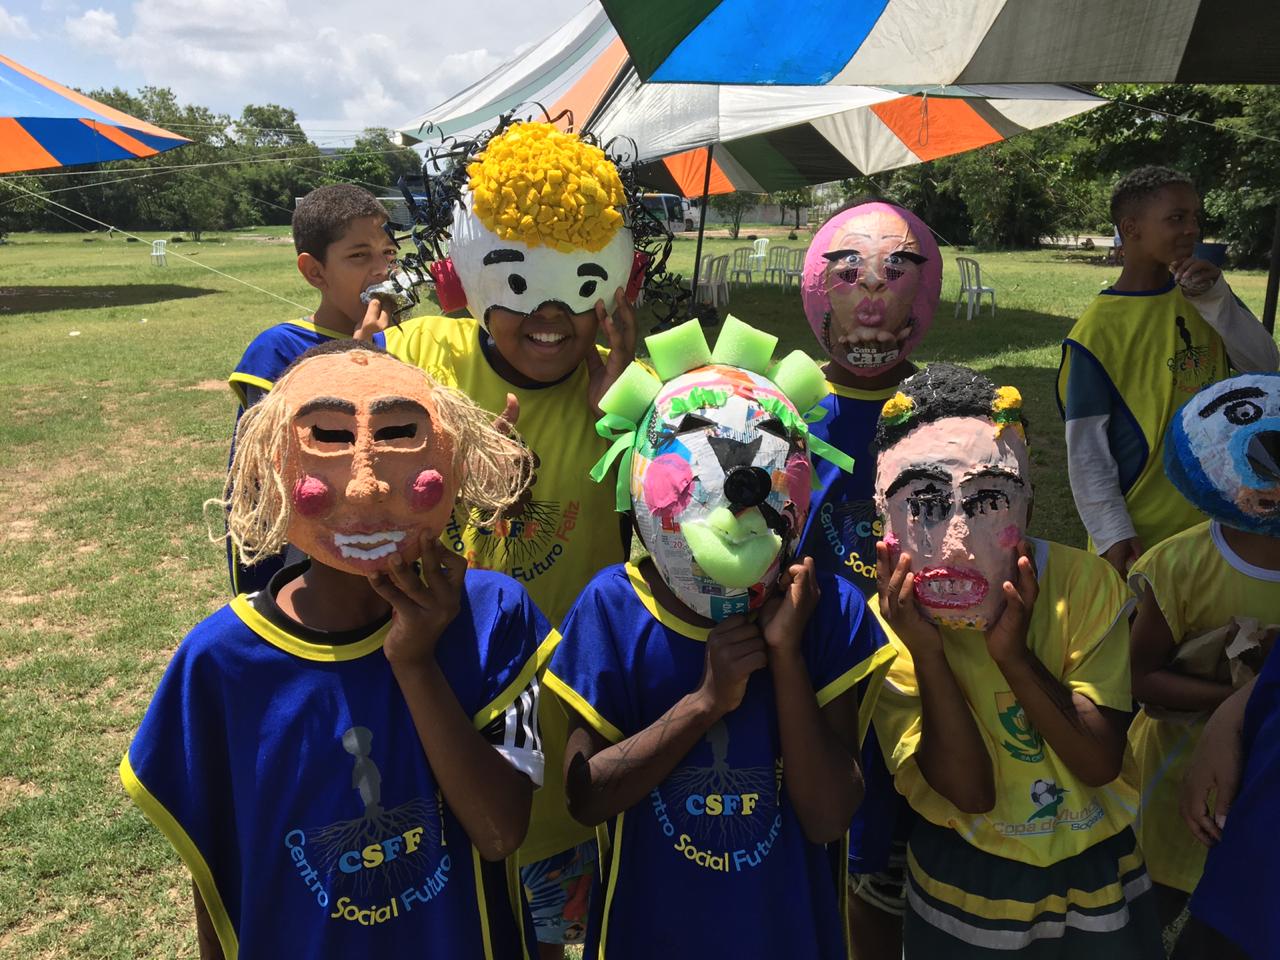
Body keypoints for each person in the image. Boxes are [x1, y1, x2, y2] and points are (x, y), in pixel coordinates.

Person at [121, 342, 544, 958]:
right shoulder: (219, 662)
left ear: (452, 457)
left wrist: (414, 662)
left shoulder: (493, 616)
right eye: (328, 437)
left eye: (399, 434)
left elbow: (501, 831)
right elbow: (214, 870)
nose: (367, 488)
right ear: (271, 467)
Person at [546, 318, 892, 959]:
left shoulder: (826, 611)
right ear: (639, 480)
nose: (737, 488)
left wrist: (785, 657)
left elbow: (828, 817)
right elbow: (586, 797)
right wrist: (706, 701)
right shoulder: (615, 608)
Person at [381, 119, 642, 957]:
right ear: (472, 279)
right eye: (523, 286)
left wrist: (625, 417)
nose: (550, 316)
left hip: (565, 720)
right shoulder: (420, 355)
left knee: (553, 927)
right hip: (443, 698)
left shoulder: (632, 389)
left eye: (577, 289)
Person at [872, 363, 1162, 958]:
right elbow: (970, 793)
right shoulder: (887, 624)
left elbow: (1098, 761)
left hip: (1095, 863)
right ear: (885, 518)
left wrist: (1013, 656)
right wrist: (926, 652)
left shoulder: (1084, 587)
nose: (955, 542)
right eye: (922, 502)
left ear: (1026, 510)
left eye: (987, 500)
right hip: (964, 871)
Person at [795, 199, 944, 959]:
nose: (873, 304)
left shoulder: (946, 411)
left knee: (887, 870)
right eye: (848, 276)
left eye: (896, 275)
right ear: (818, 291)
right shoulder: (786, 404)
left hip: (917, 668)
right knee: (821, 850)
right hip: (815, 672)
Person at [1057, 165, 1278, 576]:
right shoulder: (1097, 331)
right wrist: (1112, 532)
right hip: (1143, 533)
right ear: (1131, 228)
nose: (1192, 229)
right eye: (1176, 218)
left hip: (1222, 521)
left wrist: (1216, 300)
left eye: (1195, 217)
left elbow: (1264, 368)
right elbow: (1086, 449)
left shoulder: (1206, 297)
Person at [1125, 372, 1280, 948]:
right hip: (1172, 781)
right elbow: (1141, 677)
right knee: (1140, 921)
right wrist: (1242, 702)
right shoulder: (1179, 566)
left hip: (1262, 793)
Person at [225, 183, 399, 594]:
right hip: (298, 562)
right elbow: (272, 469)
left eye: (389, 254)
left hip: (377, 544)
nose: (381, 270)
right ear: (314, 271)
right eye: (359, 256)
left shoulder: (396, 343)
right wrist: (359, 356)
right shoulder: (277, 349)